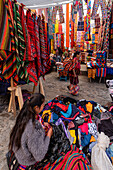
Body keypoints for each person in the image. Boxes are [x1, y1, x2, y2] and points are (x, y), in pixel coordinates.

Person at [8, 93, 53, 168]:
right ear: (36, 108)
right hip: (26, 160)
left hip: (20, 152)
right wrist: (48, 135)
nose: (43, 107)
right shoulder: (32, 129)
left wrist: (42, 123)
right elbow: (39, 155)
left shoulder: (25, 116)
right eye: (42, 105)